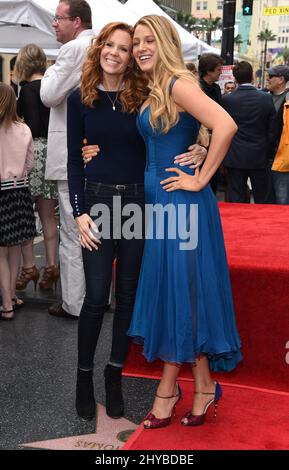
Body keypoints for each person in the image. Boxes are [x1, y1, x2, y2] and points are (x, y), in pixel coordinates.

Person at [67, 21, 207, 421]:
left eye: (124, 48)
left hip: (139, 204)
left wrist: (200, 147)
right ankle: (83, 378)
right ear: (99, 49)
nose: (116, 52)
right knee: (96, 297)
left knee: (127, 296)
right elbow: (74, 161)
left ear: (131, 58)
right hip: (95, 205)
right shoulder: (80, 99)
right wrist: (77, 212)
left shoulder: (145, 94)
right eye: (109, 45)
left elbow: (185, 124)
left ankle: (114, 377)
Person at [127, 15, 242, 429]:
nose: (140, 48)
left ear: (165, 43)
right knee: (181, 294)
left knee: (181, 294)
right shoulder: (157, 86)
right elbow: (198, 129)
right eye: (136, 41)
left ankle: (169, 391)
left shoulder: (177, 83)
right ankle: (203, 385)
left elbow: (225, 124)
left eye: (148, 41)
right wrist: (200, 143)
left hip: (182, 204)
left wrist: (202, 178)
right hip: (162, 207)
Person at [40, 0, 95, 319]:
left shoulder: (73, 50)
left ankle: (75, 303)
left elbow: (49, 95)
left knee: (74, 233)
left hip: (71, 153)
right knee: (98, 227)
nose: (54, 24)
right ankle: (96, 297)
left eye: (58, 19)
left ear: (76, 21)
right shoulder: (99, 46)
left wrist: (50, 70)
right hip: (96, 151)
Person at [14, 44, 59, 295]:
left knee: (25, 215)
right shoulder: (53, 89)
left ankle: (29, 267)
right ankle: (51, 268)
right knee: (48, 215)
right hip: (52, 153)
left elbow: (29, 126)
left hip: (32, 153)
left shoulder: (28, 91)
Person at [0, 83, 36, 320]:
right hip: (20, 192)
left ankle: (6, 305)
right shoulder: (24, 129)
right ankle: (12, 294)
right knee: (14, 250)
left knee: (0, 253)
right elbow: (31, 163)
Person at [222, 61, 276, 203]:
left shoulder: (227, 100)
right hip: (259, 154)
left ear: (235, 78)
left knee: (236, 197)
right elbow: (272, 129)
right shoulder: (266, 98)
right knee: (262, 197)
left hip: (235, 155)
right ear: (252, 76)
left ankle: (236, 225)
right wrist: (267, 148)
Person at [198, 53, 224, 194]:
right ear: (209, 71)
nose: (221, 73)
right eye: (219, 70)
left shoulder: (216, 88)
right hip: (201, 138)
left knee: (214, 176)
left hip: (215, 137)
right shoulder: (197, 88)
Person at [266, 65, 289, 204]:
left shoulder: (287, 100)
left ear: (281, 79)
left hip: (282, 156)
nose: (267, 79)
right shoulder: (264, 96)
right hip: (267, 156)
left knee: (282, 199)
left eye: (271, 76)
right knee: (270, 197)